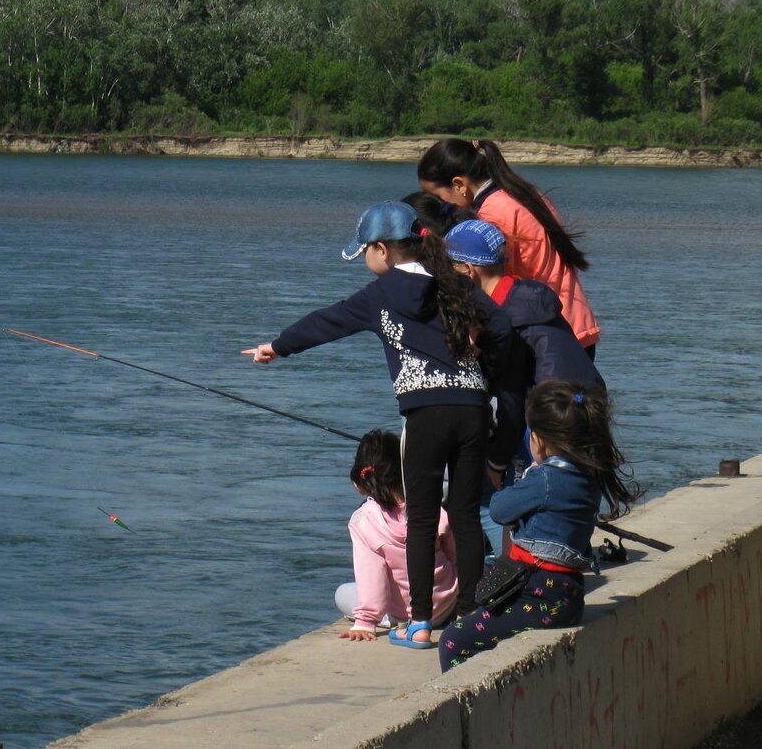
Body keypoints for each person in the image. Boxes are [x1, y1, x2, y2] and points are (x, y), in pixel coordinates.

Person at [244, 200, 513, 650]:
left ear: (383, 250)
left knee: (423, 517)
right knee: (466, 514)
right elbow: (501, 326)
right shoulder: (455, 286)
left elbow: (326, 322)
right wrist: (484, 368)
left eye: (365, 250)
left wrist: (277, 347)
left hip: (425, 413)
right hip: (472, 407)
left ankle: (422, 624)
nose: (365, 259)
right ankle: (471, 615)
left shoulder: (381, 294)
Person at [438, 380, 641, 671]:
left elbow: (499, 510)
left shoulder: (544, 479)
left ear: (539, 440)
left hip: (537, 594)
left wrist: (524, 479)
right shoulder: (590, 478)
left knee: (453, 641)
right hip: (567, 595)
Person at [443, 219, 606, 558]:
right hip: (585, 398)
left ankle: (507, 565)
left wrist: (498, 461)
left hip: (548, 411)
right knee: (570, 484)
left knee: (496, 487)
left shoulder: (502, 319)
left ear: (469, 271)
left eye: (450, 270)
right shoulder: (527, 295)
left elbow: (512, 400)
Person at [417, 138, 601, 357]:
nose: (442, 207)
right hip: (574, 321)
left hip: (545, 333)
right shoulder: (523, 193)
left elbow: (492, 280)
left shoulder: (491, 215)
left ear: (459, 185)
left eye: (439, 198)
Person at [335, 429, 458, 640]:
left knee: (342, 594)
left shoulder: (364, 521)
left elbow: (372, 577)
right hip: (449, 603)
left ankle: (388, 620)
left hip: (410, 614)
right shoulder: (428, 506)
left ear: (361, 480)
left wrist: (365, 622)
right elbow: (453, 554)